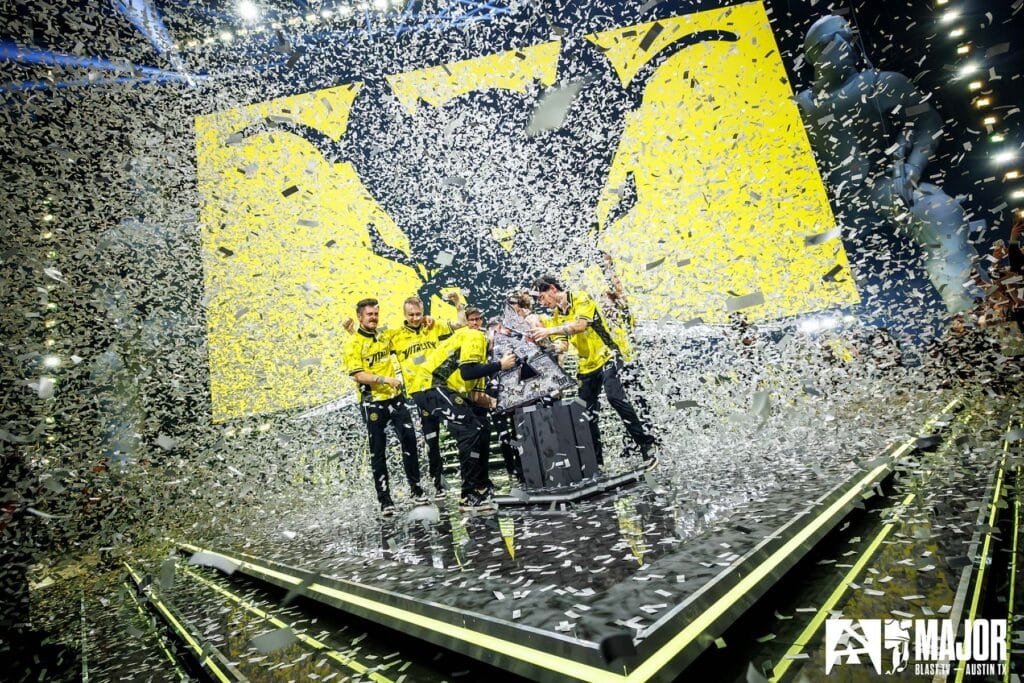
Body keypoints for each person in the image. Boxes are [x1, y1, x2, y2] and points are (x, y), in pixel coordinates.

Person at [797, 14, 979, 314]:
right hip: (827, 203)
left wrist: (912, 168)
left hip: (879, 188)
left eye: (849, 41)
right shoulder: (801, 105)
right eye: (837, 42)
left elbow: (926, 121)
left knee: (942, 214)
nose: (848, 49)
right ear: (817, 54)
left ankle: (965, 308)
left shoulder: (883, 83)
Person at [528, 275, 657, 470]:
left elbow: (580, 326)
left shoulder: (580, 298)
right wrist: (549, 345)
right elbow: (563, 344)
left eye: (542, 297)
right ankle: (597, 463)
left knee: (616, 398)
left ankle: (646, 444)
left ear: (553, 289)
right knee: (585, 413)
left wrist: (549, 331)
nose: (541, 302)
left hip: (608, 356)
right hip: (586, 366)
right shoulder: (556, 315)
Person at [406, 307, 517, 512]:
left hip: (442, 387)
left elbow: (474, 395)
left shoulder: (480, 351)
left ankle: (482, 486)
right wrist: (501, 365)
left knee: (482, 427)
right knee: (469, 430)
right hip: (428, 385)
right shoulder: (475, 336)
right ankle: (469, 494)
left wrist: (500, 403)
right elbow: (468, 372)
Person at [342, 298, 427, 516]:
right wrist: (385, 380)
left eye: (376, 314)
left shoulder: (384, 336)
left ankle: (416, 491)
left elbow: (408, 334)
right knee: (378, 452)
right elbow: (358, 375)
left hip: (395, 400)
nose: (373, 317)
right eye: (369, 314)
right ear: (360, 317)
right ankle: (385, 501)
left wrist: (429, 320)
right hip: (372, 403)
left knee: (410, 440)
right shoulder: (352, 344)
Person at [387, 292, 466, 499]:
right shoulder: (395, 336)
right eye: (411, 315)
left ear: (423, 312)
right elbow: (374, 349)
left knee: (460, 429)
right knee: (431, 439)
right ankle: (434, 482)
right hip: (418, 394)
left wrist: (457, 302)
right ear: (404, 315)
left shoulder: (433, 326)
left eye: (418, 314)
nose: (415, 318)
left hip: (439, 387)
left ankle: (463, 479)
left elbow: (461, 324)